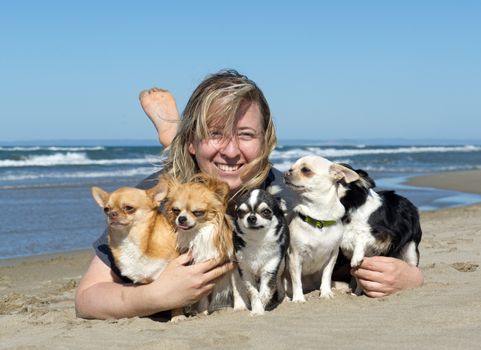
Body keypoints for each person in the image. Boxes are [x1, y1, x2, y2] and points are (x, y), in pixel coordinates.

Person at [75, 70, 423, 320]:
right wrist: (152, 297)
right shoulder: (160, 197)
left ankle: (177, 136)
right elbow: (88, 299)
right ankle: (175, 137)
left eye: (245, 134)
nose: (230, 150)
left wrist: (409, 276)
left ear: (267, 142)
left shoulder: (289, 198)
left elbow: (361, 236)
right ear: (193, 142)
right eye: (214, 133)